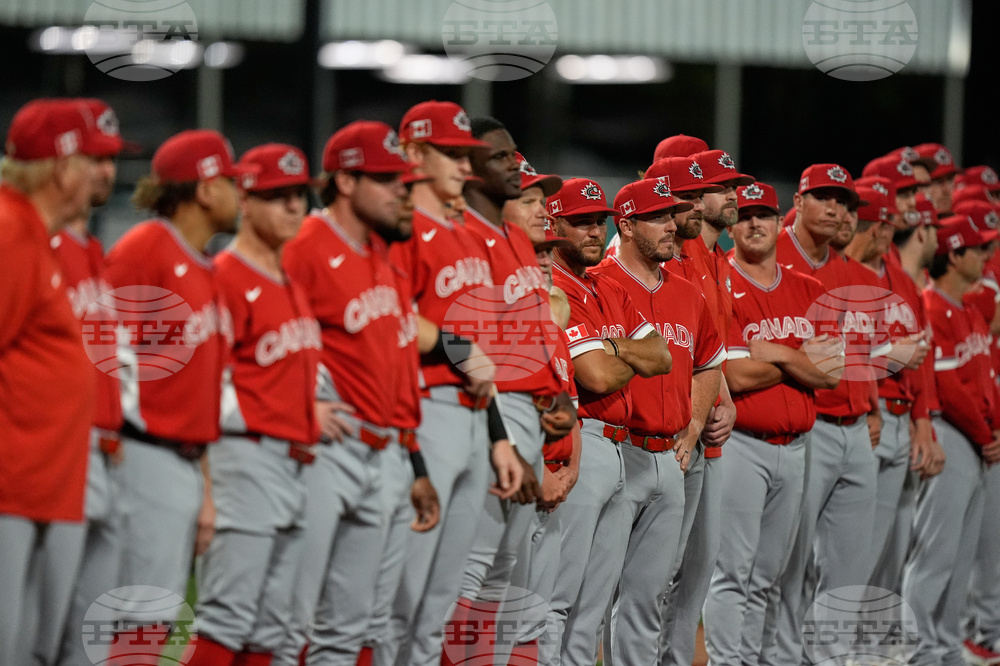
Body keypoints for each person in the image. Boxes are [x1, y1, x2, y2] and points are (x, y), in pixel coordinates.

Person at [386, 101, 522, 666]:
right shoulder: (404, 228)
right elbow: (396, 319)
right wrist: (460, 349)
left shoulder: (467, 234)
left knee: (440, 599)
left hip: (470, 414)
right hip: (425, 408)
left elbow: (484, 364)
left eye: (469, 156)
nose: (464, 167)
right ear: (414, 153)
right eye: (452, 154)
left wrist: (498, 438)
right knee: (402, 595)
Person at [103, 128, 245, 663]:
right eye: (231, 181)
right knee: (135, 617)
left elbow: (203, 393)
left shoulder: (204, 263)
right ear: (204, 189)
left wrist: (205, 485)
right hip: (143, 454)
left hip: (182, 459)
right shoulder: (145, 249)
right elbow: (105, 356)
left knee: (155, 618)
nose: (239, 193)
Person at [443, 121, 577, 666]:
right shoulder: (460, 236)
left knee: (501, 576)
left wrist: (553, 395)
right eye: (502, 160)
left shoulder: (516, 241)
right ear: (469, 170)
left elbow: (530, 332)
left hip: (528, 411)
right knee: (468, 572)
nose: (517, 172)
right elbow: (457, 341)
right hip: (488, 411)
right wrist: (499, 430)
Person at [184, 143, 321, 666]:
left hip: (292, 463)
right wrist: (207, 488)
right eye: (275, 196)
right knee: (227, 618)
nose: (292, 207)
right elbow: (202, 386)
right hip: (243, 458)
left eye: (298, 196)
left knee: (275, 629)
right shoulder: (223, 276)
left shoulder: (291, 280)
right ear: (244, 197)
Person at [703, 180, 842, 666]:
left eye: (763, 214)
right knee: (732, 572)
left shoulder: (808, 287)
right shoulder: (719, 278)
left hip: (799, 446)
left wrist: (779, 352)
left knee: (770, 575)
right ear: (733, 223)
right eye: (744, 215)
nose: (754, 223)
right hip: (742, 445)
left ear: (779, 219)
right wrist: (801, 359)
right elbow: (736, 376)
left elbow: (833, 372)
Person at [595, 177, 724, 666]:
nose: (673, 225)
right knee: (594, 594)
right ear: (626, 225)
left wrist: (692, 429)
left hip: (670, 457)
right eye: (659, 217)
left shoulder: (689, 293)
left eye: (672, 215)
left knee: (647, 598)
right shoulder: (600, 283)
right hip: (616, 449)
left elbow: (710, 363)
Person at [547, 176, 672, 666]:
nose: (593, 232)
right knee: (559, 597)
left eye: (597, 222)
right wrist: (622, 354)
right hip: (585, 439)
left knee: (592, 606)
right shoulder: (558, 287)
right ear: (554, 224)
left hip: (620, 452)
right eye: (579, 223)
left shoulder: (604, 285)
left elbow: (660, 355)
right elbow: (596, 376)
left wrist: (613, 348)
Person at [0, 97, 98, 666]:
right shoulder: (12, 230)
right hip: (12, 483)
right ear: (63, 168)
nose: (101, 174)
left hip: (40, 485)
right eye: (93, 160)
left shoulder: (32, 232)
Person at [650, 148, 746, 666]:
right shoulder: (672, 254)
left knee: (699, 568)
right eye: (717, 186)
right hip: (671, 431)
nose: (730, 195)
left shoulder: (712, 256)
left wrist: (721, 396)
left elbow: (710, 349)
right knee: (653, 576)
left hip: (704, 432)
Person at [50, 98, 128, 666]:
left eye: (111, 159)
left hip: (104, 454)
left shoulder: (93, 250)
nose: (107, 171)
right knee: (33, 631)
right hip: (54, 452)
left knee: (92, 634)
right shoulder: (34, 244)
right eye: (94, 158)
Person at [904, 213, 1000, 666]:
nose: (986, 255)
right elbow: (951, 391)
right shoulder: (932, 305)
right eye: (977, 249)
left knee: (960, 560)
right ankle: (920, 650)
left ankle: (945, 649)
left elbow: (983, 383)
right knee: (935, 558)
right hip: (950, 433)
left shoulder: (967, 309)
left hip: (976, 440)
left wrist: (993, 430)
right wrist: (986, 435)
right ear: (954, 255)